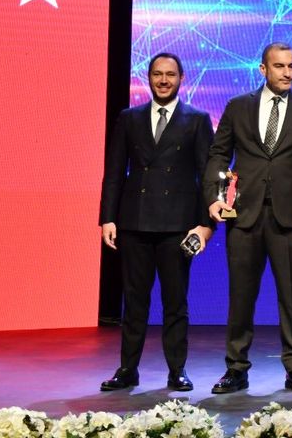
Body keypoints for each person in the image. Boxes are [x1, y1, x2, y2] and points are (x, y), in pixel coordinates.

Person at [204, 42, 292, 394]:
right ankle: (236, 368)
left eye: (291, 66)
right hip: (243, 215)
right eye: (279, 66)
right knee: (241, 295)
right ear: (263, 69)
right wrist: (215, 198)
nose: (287, 73)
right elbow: (218, 155)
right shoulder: (238, 106)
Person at [98, 52, 214, 392]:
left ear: (181, 79)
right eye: (157, 74)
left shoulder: (197, 120)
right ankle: (127, 369)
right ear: (148, 78)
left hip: (178, 225)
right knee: (134, 301)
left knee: (175, 302)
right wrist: (108, 218)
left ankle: (177, 370)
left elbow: (207, 176)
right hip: (134, 222)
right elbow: (114, 172)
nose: (164, 80)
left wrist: (205, 224)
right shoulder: (129, 118)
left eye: (170, 74)